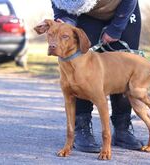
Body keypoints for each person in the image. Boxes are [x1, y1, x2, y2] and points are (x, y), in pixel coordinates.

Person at [51, 0, 143, 153]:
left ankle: (122, 129)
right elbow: (61, 5)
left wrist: (116, 27)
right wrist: (65, 21)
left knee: (122, 67)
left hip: (123, 7)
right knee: (82, 68)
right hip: (85, 13)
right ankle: (82, 128)